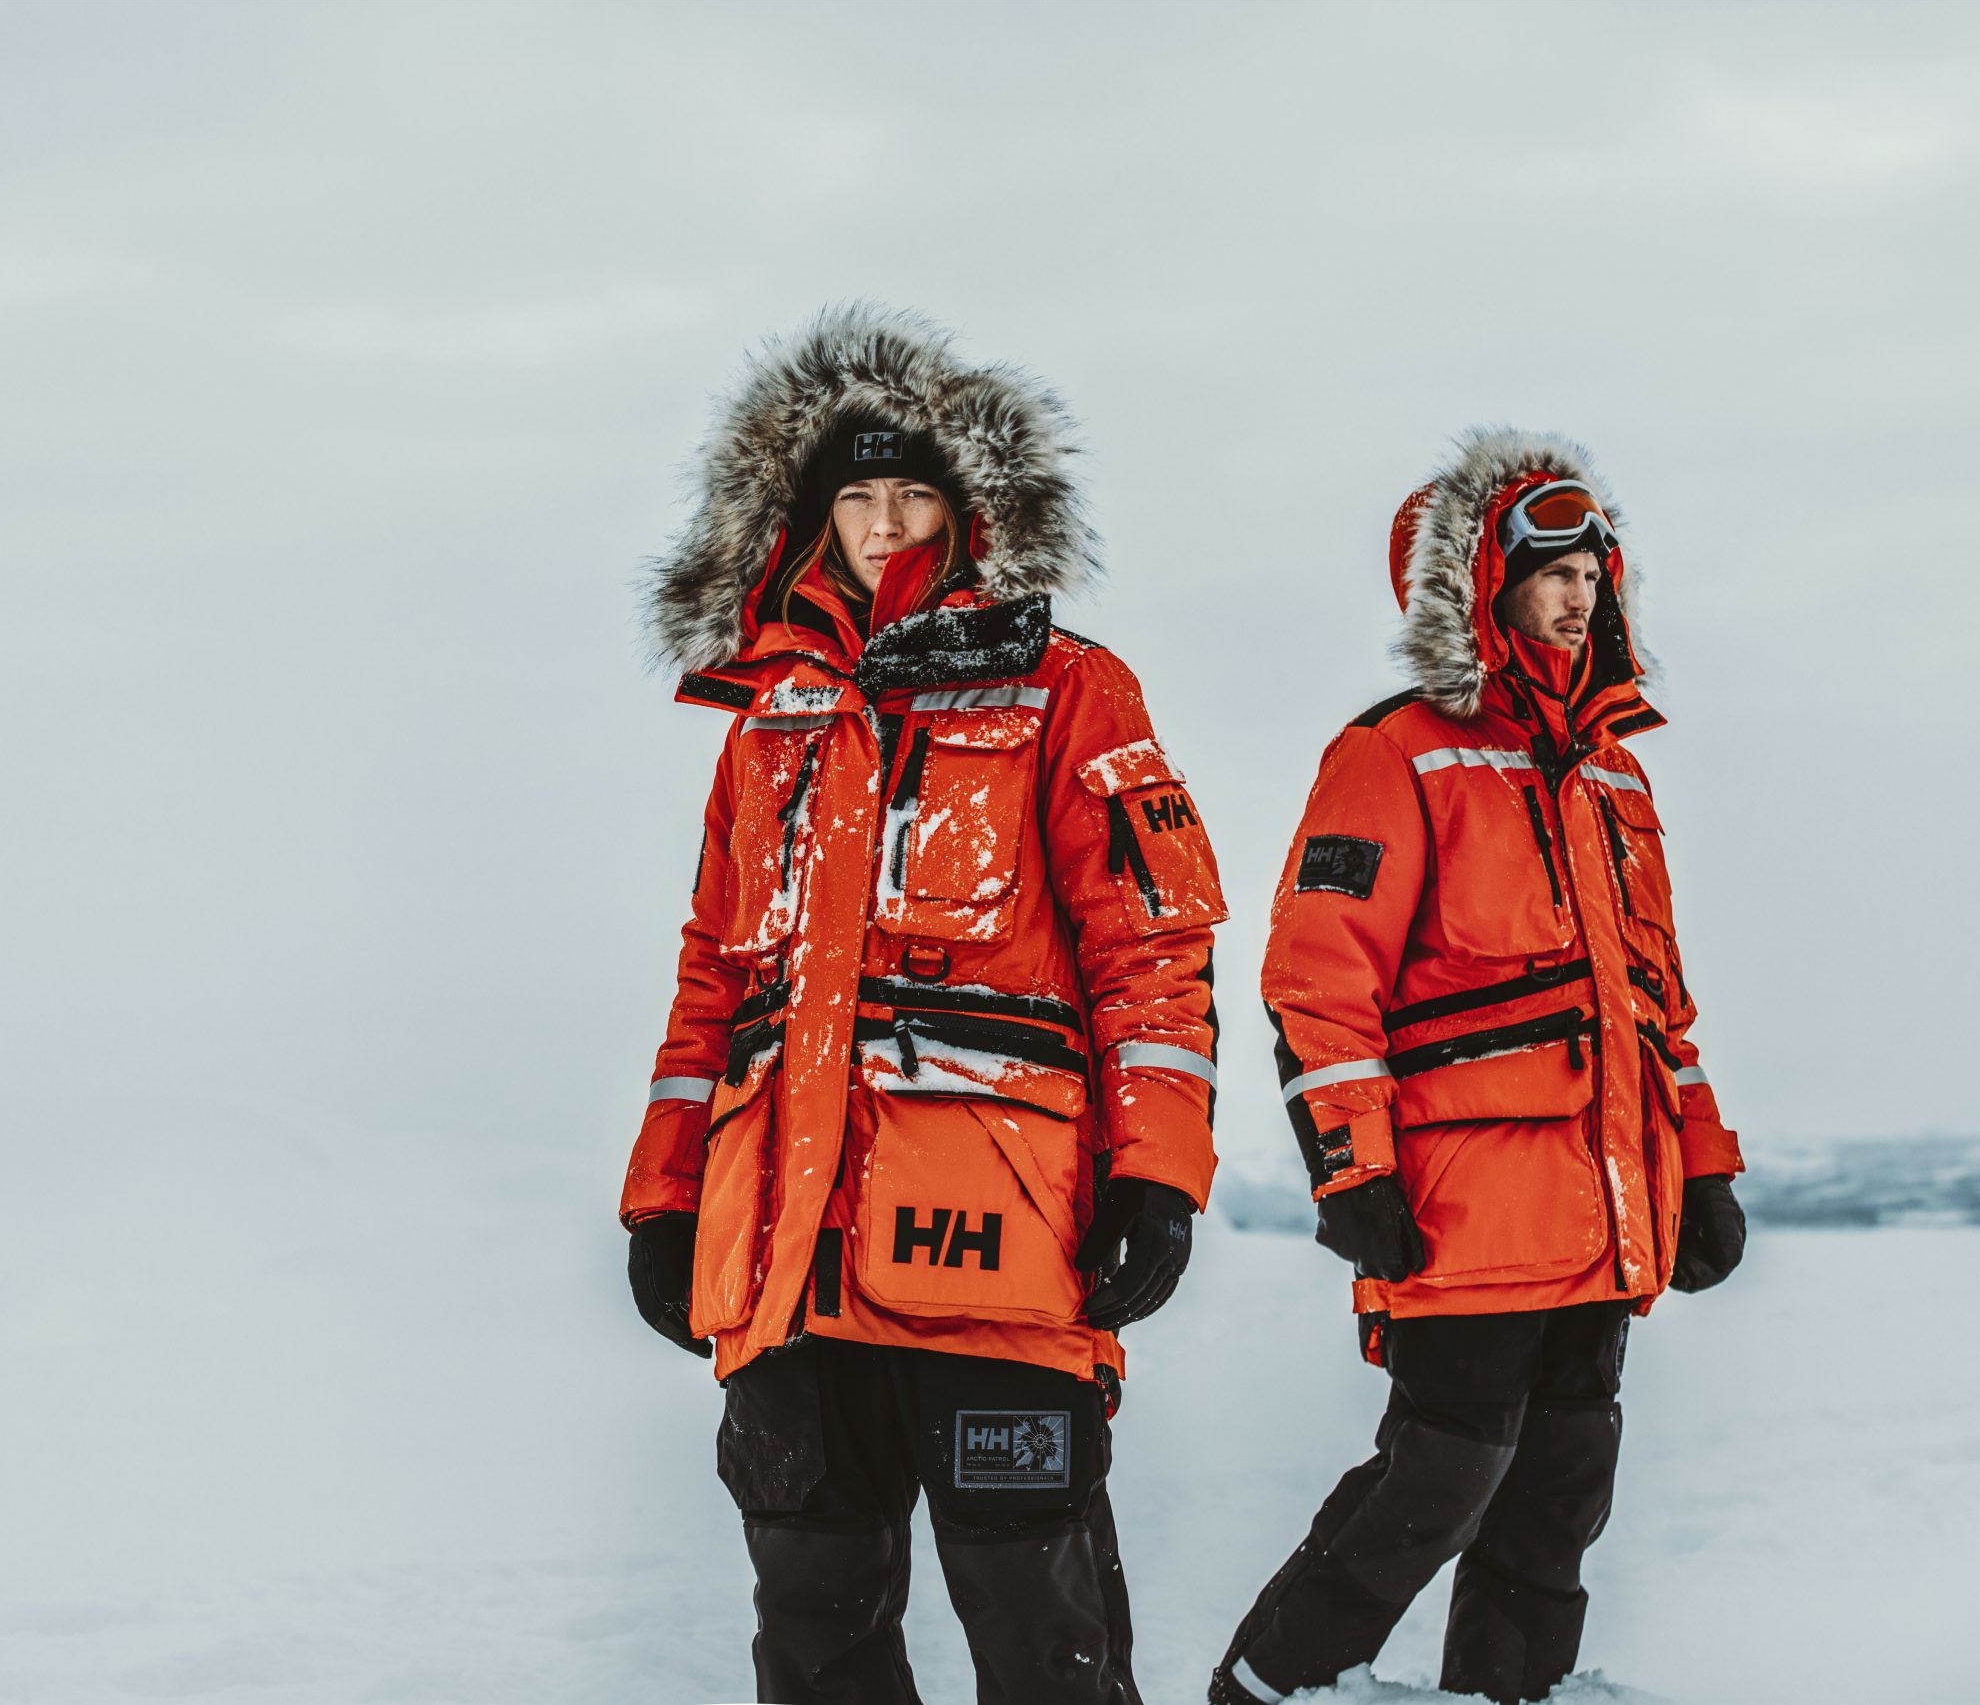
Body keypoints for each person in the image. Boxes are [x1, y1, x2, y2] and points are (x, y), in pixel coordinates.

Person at [620, 305, 1226, 1705]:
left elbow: (1153, 951)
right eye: (857, 495)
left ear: (969, 510)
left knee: (1044, 1637)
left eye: (913, 494)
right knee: (814, 1633)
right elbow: (714, 978)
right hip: (783, 1267)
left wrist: (1158, 1173)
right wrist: (662, 1197)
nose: (885, 523)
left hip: (1000, 1254)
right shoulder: (764, 724)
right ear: (808, 516)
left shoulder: (1072, 687)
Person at [1210, 431, 1748, 1705]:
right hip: (1461, 1210)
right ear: (1477, 591)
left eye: (1591, 571)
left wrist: (1702, 1174)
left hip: (1601, 1209)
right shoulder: (1392, 753)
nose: (1576, 596)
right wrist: (1351, 1170)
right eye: (1548, 571)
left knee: (1560, 1501)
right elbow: (1317, 978)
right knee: (1433, 1486)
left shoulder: (1613, 774)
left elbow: (1654, 1013)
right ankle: (1260, 1694)